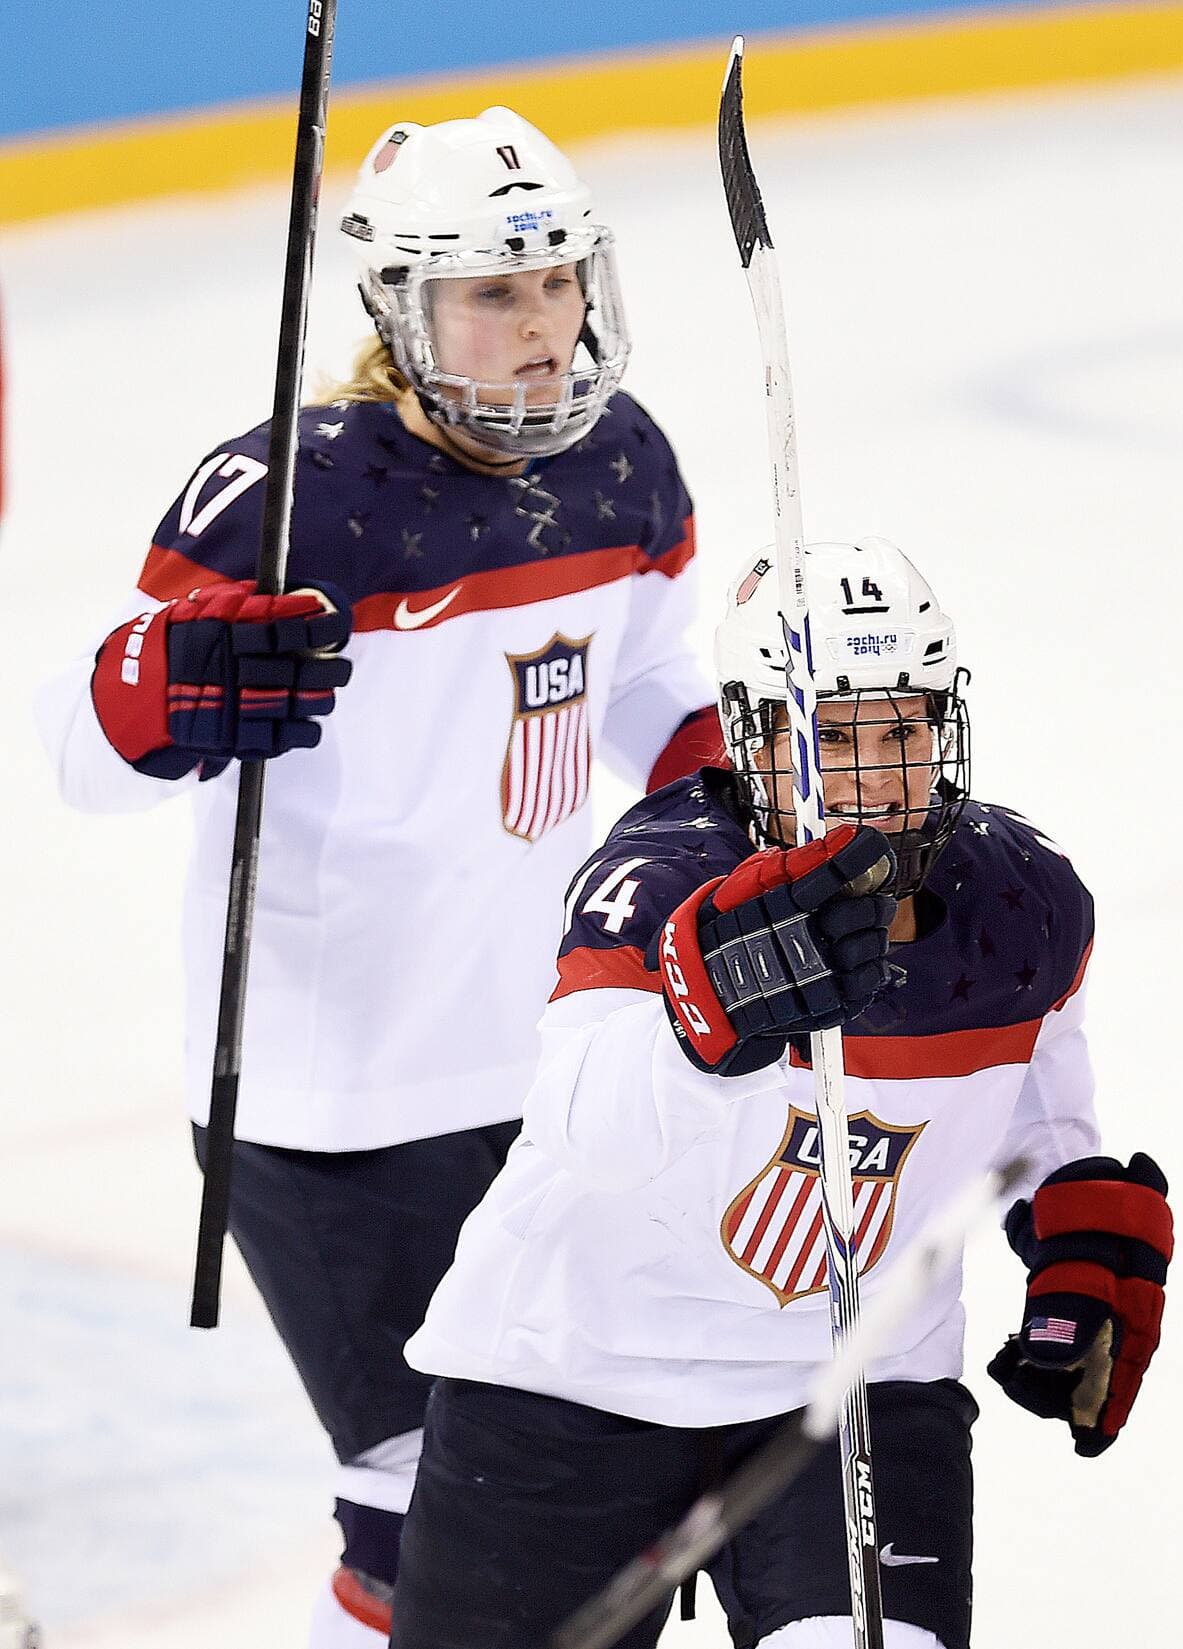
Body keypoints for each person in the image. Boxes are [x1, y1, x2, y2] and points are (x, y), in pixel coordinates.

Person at [35, 107, 718, 1647]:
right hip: (327, 1107)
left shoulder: (626, 460)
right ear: (403, 312)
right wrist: (175, 686)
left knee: (585, 1494)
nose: (540, 326)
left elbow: (649, 686)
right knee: (429, 1519)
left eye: (555, 282)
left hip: (548, 1066)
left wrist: (734, 786)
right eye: (494, 293)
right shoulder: (291, 499)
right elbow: (84, 754)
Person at [388, 537, 1174, 1649]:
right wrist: (702, 1016)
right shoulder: (662, 879)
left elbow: (1037, 1119)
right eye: (835, 740)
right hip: (571, 1378)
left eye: (903, 730)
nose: (880, 783)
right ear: (755, 737)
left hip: (859, 1380)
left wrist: (1076, 1232)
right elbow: (585, 1127)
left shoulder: (1026, 904)